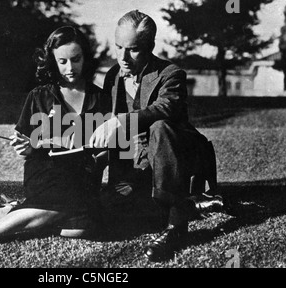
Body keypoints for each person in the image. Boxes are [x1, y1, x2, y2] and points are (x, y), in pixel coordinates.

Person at [0, 26, 105, 255]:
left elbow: (108, 150)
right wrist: (25, 147)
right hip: (46, 173)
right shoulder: (38, 96)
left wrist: (100, 156)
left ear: (85, 57)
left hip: (83, 176)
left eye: (75, 59)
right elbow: (25, 149)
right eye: (62, 61)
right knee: (76, 214)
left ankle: (15, 211)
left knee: (82, 228)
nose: (69, 68)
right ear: (52, 61)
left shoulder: (101, 98)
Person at [89, 10, 221, 261]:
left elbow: (166, 108)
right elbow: (110, 131)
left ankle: (177, 227)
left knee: (160, 126)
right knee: (103, 215)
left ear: (150, 46)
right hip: (136, 165)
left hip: (174, 156)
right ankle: (193, 203)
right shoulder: (113, 76)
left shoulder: (170, 74)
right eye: (118, 47)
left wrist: (120, 121)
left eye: (133, 49)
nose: (123, 57)